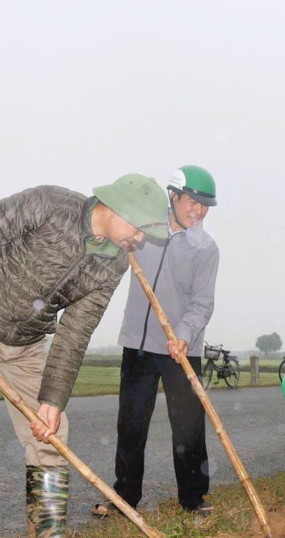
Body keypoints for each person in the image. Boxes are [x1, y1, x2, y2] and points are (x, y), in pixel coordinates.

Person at [0, 174, 168, 538]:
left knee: (52, 435)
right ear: (117, 210)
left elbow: (75, 330)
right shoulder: (50, 205)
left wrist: (53, 400)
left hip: (29, 346)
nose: (140, 239)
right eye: (139, 228)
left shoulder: (115, 261)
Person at [94, 165, 220, 518]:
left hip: (182, 348)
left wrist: (183, 335)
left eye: (204, 205)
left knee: (189, 427)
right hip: (137, 343)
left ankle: (194, 498)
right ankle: (125, 497)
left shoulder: (206, 249)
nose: (197, 210)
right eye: (191, 201)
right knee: (131, 424)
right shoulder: (142, 230)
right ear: (174, 196)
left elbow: (202, 302)